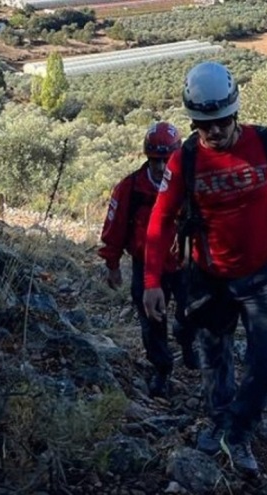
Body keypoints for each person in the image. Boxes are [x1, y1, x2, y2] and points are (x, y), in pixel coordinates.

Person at [142, 61, 267, 472]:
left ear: (235, 113)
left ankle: (237, 432)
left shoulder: (266, 144)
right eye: (204, 124)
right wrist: (152, 280)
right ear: (193, 122)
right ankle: (223, 421)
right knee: (215, 358)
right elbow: (160, 220)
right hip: (208, 278)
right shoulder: (184, 161)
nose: (214, 132)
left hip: (264, 276)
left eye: (222, 122)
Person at [98, 122, 198, 399]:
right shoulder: (130, 189)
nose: (161, 166)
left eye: (167, 159)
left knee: (193, 313)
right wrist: (112, 264)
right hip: (145, 266)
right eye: (156, 160)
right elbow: (115, 228)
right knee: (152, 323)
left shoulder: (190, 187)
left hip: (185, 264)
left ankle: (187, 341)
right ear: (147, 158)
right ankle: (162, 369)